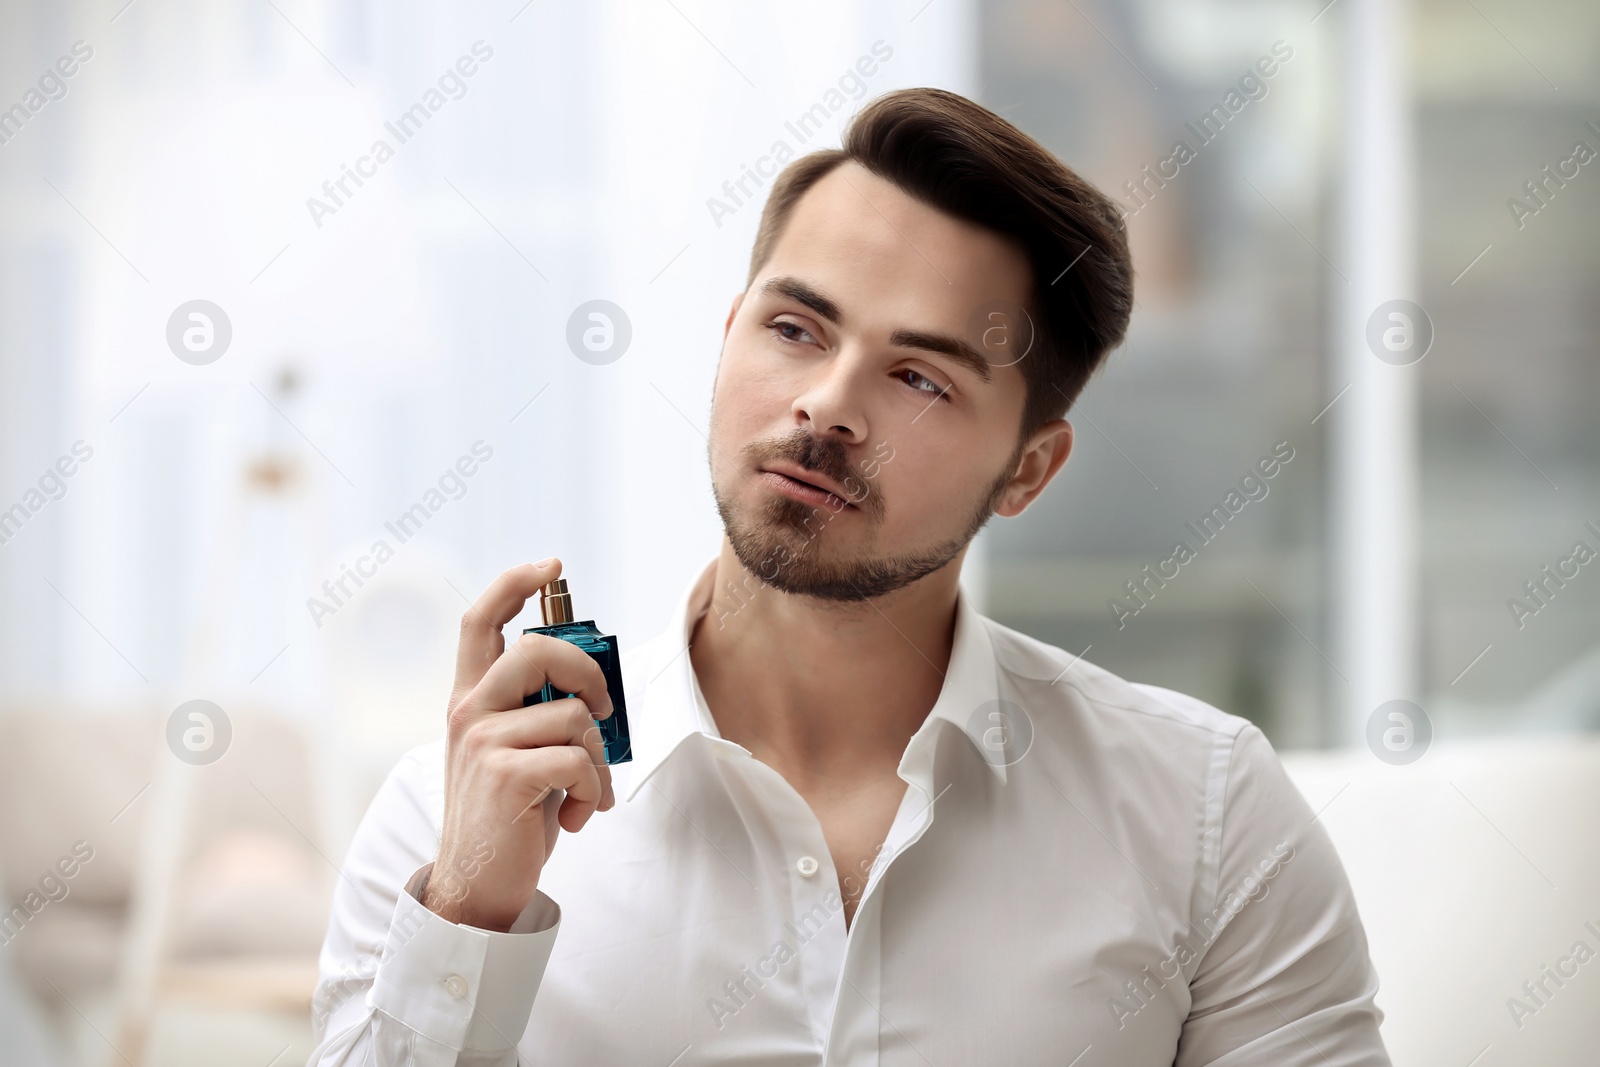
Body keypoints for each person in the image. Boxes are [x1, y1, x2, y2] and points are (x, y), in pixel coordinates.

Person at [309, 88, 1388, 1065]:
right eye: (794, 328)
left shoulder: (1205, 812)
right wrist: (465, 919)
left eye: (917, 377)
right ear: (729, 337)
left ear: (1027, 468)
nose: (826, 404)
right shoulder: (449, 818)